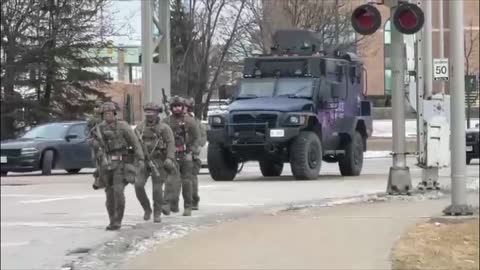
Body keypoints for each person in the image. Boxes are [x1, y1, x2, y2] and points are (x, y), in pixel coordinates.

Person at [97, 101, 144, 230]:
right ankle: (112, 219)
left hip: (120, 164)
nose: (107, 115)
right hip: (106, 165)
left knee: (118, 192)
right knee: (109, 194)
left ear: (114, 113)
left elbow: (135, 144)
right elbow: (95, 148)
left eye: (110, 112)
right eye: (105, 113)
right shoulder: (99, 128)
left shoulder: (123, 127)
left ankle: (118, 220)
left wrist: (139, 160)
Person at [134, 102, 177, 223]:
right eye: (147, 112)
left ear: (157, 113)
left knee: (157, 189)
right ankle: (147, 209)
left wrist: (169, 158)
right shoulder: (139, 128)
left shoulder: (164, 128)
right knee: (138, 185)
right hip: (143, 161)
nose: (149, 114)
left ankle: (157, 212)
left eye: (152, 112)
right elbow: (134, 144)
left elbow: (170, 144)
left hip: (159, 161)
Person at [162, 95, 201, 216]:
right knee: (170, 180)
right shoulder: (166, 122)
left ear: (183, 107)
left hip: (186, 155)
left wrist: (192, 150)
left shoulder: (189, 121)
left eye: (179, 106)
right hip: (172, 154)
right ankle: (167, 204)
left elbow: (197, 137)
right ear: (171, 108)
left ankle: (188, 206)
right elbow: (161, 137)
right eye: (174, 106)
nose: (177, 108)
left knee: (186, 182)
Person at [183, 97, 207, 210]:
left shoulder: (196, 122)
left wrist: (193, 149)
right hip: (178, 154)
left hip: (191, 154)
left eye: (185, 107)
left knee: (191, 178)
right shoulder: (175, 121)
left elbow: (202, 139)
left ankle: (194, 200)